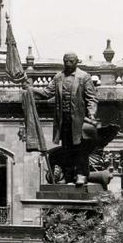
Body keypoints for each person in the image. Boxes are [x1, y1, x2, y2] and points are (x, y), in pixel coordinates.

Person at [30, 52, 99, 185]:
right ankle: (68, 175)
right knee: (67, 148)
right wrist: (31, 90)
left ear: (76, 62)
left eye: (71, 61)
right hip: (63, 120)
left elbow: (92, 98)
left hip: (79, 120)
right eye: (65, 61)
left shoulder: (84, 77)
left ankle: (81, 174)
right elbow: (46, 93)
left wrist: (91, 114)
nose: (68, 64)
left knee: (80, 148)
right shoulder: (58, 77)